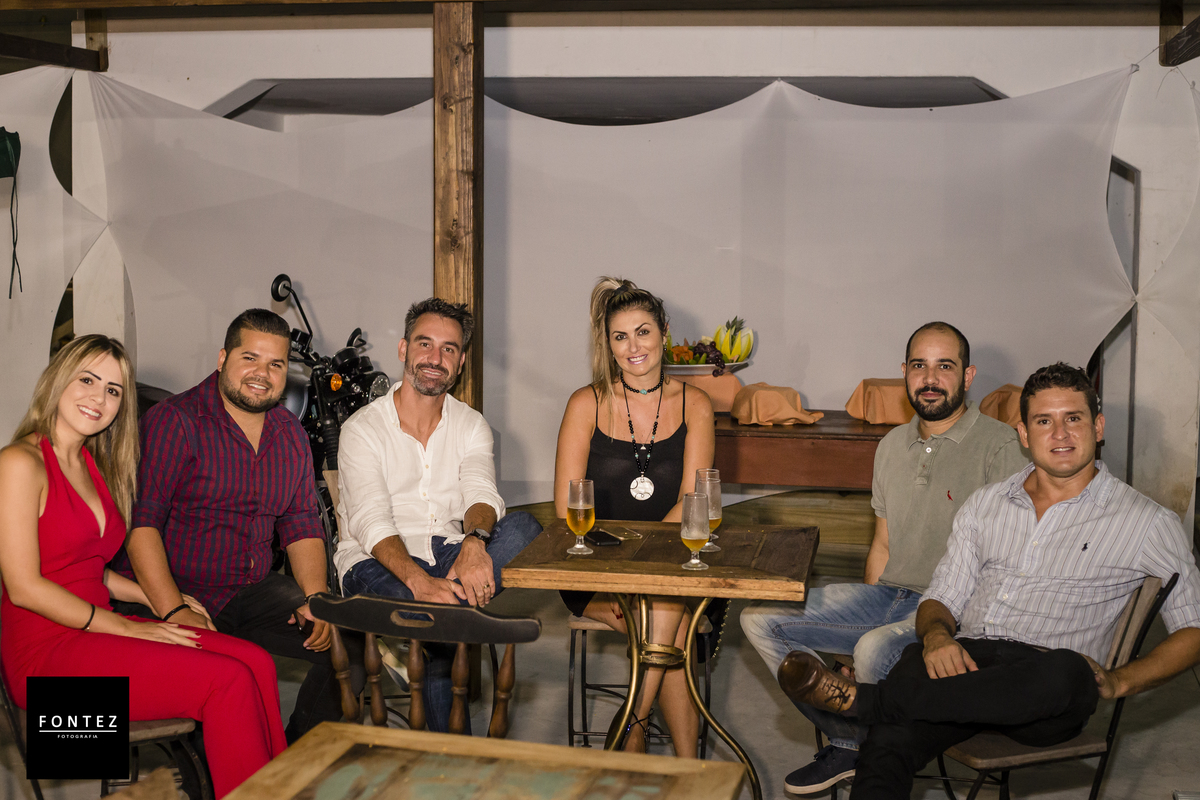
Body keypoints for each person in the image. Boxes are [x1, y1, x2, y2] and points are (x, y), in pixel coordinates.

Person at [778, 362, 1200, 799]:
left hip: (1044, 688)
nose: (1060, 434)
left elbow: (1195, 628)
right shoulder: (986, 504)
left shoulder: (1147, 522)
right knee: (896, 721)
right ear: (1023, 434)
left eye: (1073, 418)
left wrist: (1121, 681)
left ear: (1097, 426)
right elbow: (941, 598)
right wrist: (938, 637)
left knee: (1069, 673)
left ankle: (866, 702)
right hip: (967, 666)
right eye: (1044, 421)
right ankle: (883, 708)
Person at [740, 321, 1028, 792]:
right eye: (919, 366)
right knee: (760, 619)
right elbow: (883, 546)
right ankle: (851, 741)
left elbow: (1008, 560)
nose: (930, 378)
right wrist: (862, 624)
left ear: (968, 375)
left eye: (945, 366)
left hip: (952, 608)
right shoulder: (892, 445)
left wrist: (879, 640)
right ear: (904, 373)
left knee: (873, 650)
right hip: (891, 597)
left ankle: (875, 761)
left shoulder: (1001, 447)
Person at [0, 335, 286, 798]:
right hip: (45, 653)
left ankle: (279, 791)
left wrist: (159, 599)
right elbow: (24, 586)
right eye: (87, 380)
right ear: (57, 381)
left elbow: (87, 567)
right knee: (227, 681)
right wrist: (125, 627)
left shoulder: (91, 464)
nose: (99, 398)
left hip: (93, 629)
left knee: (256, 661)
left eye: (113, 390)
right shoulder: (19, 462)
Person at [111, 309, 363, 743]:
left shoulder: (288, 433)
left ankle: (295, 759)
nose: (262, 373)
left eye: (275, 364)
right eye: (250, 358)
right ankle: (217, 769)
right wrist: (173, 610)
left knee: (350, 648)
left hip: (250, 589)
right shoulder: (176, 420)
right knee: (227, 682)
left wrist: (315, 597)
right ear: (222, 358)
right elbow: (142, 525)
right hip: (175, 588)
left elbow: (301, 523)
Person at [334, 297, 542, 734]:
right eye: (424, 343)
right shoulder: (362, 429)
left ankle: (419, 631)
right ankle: (454, 748)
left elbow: (481, 494)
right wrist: (419, 581)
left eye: (449, 348)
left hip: (446, 550)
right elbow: (370, 521)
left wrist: (474, 544)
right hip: (373, 559)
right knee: (434, 616)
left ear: (461, 362)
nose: (435, 357)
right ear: (403, 349)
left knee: (526, 528)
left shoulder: (471, 424)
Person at [553, 277, 715, 756]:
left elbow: (692, 502)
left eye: (643, 332)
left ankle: (632, 724)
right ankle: (687, 767)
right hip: (593, 564)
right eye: (620, 337)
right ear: (608, 344)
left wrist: (643, 567)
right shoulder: (585, 403)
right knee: (670, 621)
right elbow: (566, 508)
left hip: (673, 560)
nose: (633, 347)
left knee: (663, 608)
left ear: (664, 332)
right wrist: (621, 572)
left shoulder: (696, 404)